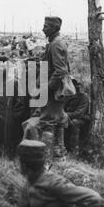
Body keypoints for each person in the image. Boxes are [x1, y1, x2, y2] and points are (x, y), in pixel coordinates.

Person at [5, 140, 102, 207]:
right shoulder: (29, 184)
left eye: (19, 162)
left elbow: (93, 199)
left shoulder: (54, 182)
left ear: (25, 165)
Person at [38, 16, 70, 159]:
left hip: (53, 90)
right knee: (57, 120)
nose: (43, 29)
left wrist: (47, 88)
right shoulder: (55, 43)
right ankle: (59, 154)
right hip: (55, 89)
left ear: (53, 28)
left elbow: (60, 71)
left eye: (45, 26)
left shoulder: (56, 44)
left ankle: (46, 158)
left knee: (47, 121)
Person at [64, 78, 91, 155]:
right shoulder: (66, 96)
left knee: (74, 123)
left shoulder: (83, 97)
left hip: (82, 119)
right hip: (68, 117)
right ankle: (62, 147)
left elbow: (80, 113)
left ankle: (74, 150)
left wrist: (65, 115)